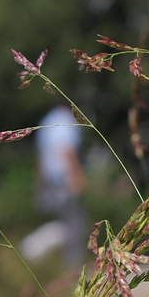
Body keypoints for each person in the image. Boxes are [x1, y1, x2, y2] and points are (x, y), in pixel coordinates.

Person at [35, 103, 85, 266]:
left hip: (48, 181)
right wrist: (77, 175)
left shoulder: (47, 119)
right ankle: (71, 266)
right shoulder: (65, 120)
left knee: (58, 221)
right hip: (63, 180)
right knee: (73, 225)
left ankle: (43, 258)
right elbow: (66, 149)